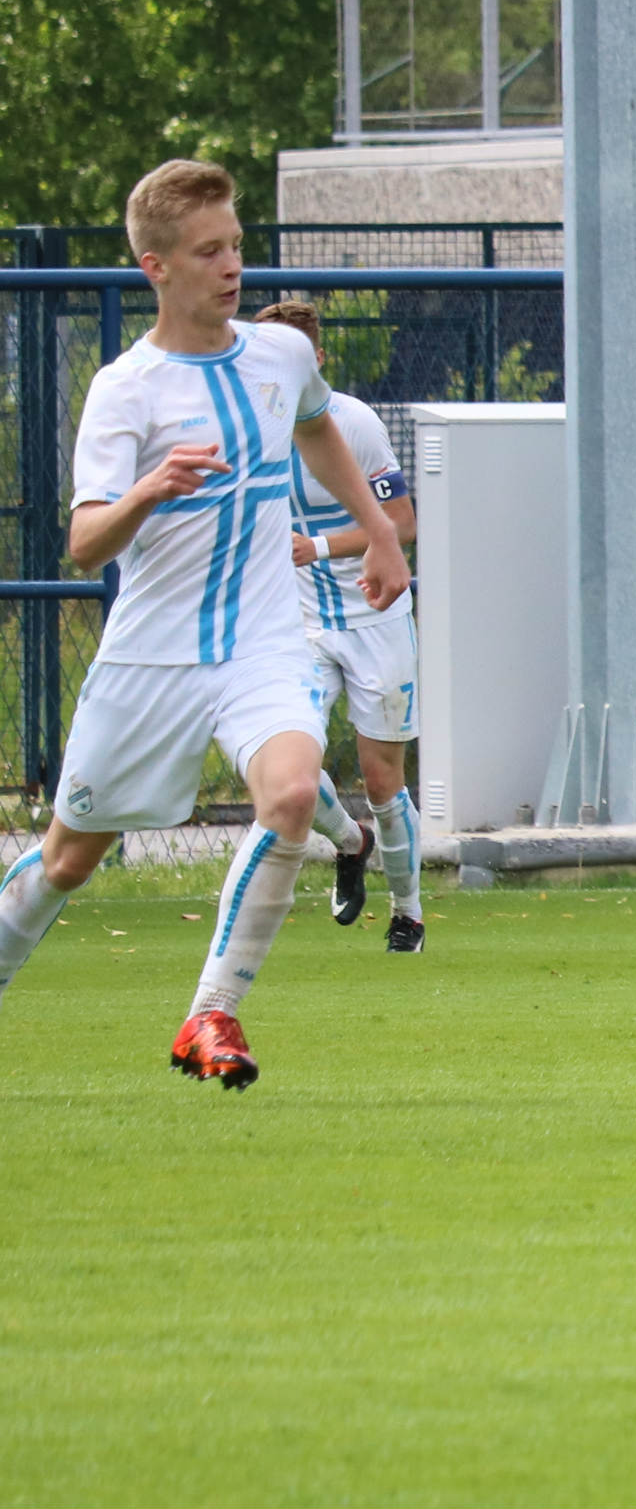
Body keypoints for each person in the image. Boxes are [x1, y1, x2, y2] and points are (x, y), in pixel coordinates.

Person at [0, 162, 410, 1090]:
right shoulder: (126, 389)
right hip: (152, 659)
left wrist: (380, 531)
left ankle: (211, 1012)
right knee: (68, 860)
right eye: (208, 251)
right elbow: (84, 544)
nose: (232, 267)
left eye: (236, 246)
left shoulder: (282, 355)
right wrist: (148, 489)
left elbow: (317, 427)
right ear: (156, 267)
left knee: (293, 795)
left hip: (263, 644)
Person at [255, 301, 424, 953]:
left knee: (382, 780)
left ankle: (407, 912)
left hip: (373, 617)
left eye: (293, 359)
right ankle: (351, 843)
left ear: (318, 361)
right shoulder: (251, 430)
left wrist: (318, 548)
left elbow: (402, 522)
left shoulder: (354, 424)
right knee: (284, 766)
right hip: (297, 624)